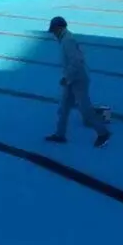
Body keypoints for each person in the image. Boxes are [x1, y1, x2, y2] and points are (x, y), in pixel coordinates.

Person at [45, 16, 111, 148]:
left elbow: (76, 61)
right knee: (63, 108)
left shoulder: (68, 40)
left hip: (78, 80)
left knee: (85, 110)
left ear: (59, 28)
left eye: (54, 31)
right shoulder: (65, 39)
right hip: (71, 80)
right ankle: (60, 134)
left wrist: (67, 77)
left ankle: (103, 133)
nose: (53, 34)